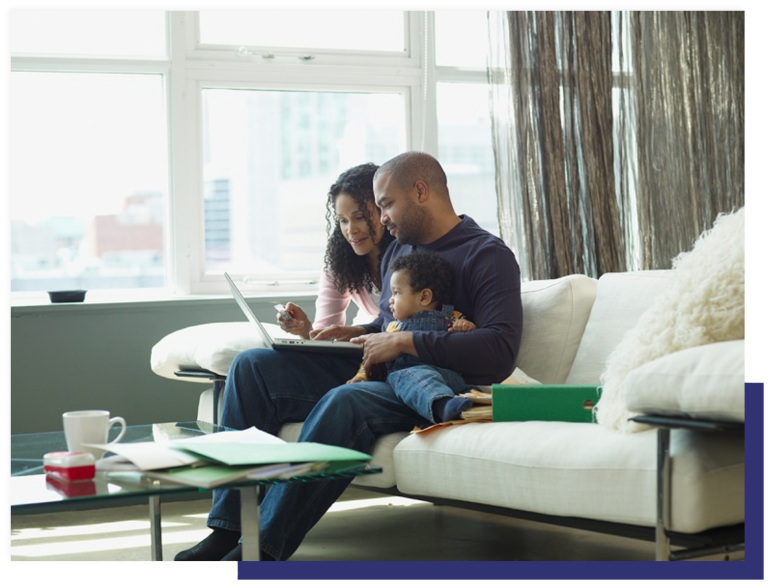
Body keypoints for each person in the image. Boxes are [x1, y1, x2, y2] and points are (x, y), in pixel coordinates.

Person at [174, 151, 523, 562]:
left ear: (421, 192)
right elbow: (390, 325)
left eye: (386, 205)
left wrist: (404, 344)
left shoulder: (487, 255)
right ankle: (226, 528)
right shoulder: (400, 251)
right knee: (252, 367)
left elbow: (500, 351)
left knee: (346, 400)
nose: (382, 218)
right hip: (379, 368)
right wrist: (358, 332)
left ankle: (258, 553)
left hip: (432, 382)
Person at [347, 248, 479, 424]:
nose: (390, 300)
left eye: (396, 292)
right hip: (411, 379)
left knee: (409, 377)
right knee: (404, 376)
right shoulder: (394, 328)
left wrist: (466, 326)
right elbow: (371, 357)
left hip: (447, 376)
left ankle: (458, 403)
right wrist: (361, 376)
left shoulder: (451, 316)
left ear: (424, 297)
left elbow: (471, 335)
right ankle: (446, 406)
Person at [276, 162, 394, 340]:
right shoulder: (341, 261)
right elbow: (324, 335)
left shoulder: (406, 253)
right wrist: (305, 328)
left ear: (383, 210)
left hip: (384, 346)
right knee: (251, 359)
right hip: (360, 348)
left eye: (359, 217)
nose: (351, 230)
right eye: (343, 221)